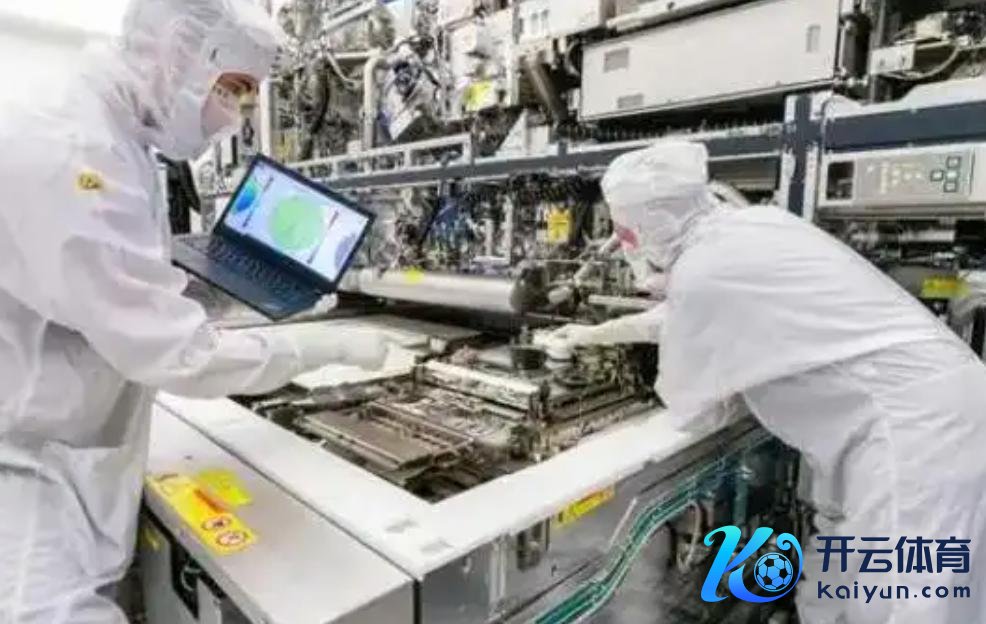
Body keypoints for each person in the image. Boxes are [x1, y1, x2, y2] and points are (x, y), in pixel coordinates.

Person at [0, 0, 393, 621]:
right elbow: (177, 352)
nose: (234, 115)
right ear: (178, 53)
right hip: (27, 482)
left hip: (61, 446)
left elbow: (126, 298)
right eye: (232, 89)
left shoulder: (112, 135)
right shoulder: (75, 150)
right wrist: (324, 346)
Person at [547, 141, 986, 623]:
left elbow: (694, 404)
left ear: (651, 223)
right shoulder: (749, 227)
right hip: (909, 415)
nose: (623, 243)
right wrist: (597, 334)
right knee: (836, 580)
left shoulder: (704, 267)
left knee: (897, 602)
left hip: (915, 436)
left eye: (625, 231)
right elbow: (687, 314)